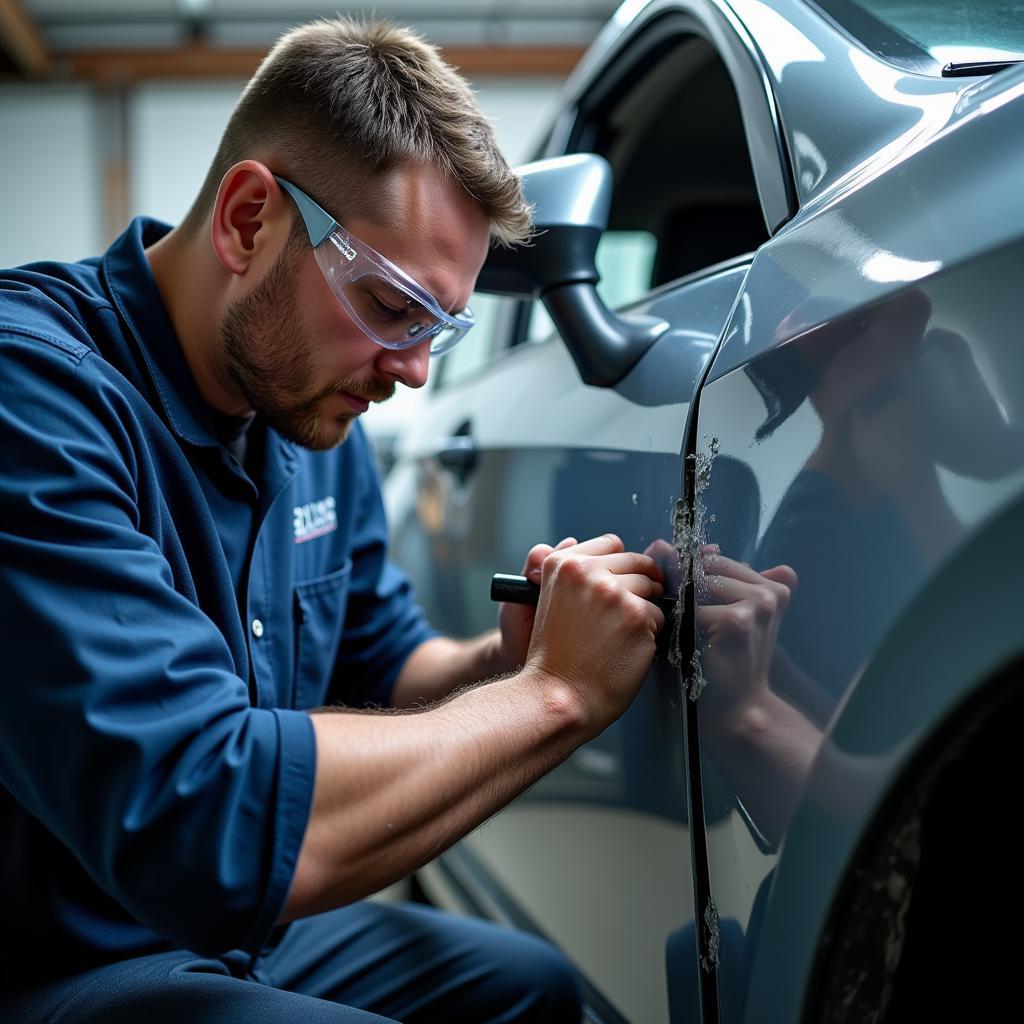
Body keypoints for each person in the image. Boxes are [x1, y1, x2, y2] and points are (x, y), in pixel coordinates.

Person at [0, 18, 667, 1023]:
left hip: (218, 933)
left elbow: (386, 662)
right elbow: (202, 818)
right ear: (248, 219)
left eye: (439, 328)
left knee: (531, 993)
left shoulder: (302, 410)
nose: (412, 372)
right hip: (58, 949)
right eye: (392, 305)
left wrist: (512, 660)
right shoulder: (34, 397)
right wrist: (557, 699)